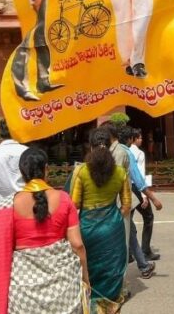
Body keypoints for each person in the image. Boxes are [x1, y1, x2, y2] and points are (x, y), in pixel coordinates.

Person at [0, 147, 89, 313]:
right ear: (46, 170)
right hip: (64, 289)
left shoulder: (8, 206)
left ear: (22, 173)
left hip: (23, 291)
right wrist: (85, 277)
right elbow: (77, 244)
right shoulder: (64, 200)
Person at [70, 127, 131, 313]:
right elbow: (126, 205)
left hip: (88, 228)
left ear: (91, 147)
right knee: (112, 273)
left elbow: (74, 204)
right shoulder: (120, 172)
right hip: (113, 228)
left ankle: (92, 308)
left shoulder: (81, 171)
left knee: (91, 271)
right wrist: (113, 219)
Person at [129, 128, 160, 260]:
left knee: (127, 221)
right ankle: (145, 250)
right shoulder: (139, 153)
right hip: (136, 188)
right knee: (148, 218)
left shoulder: (125, 151)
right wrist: (144, 196)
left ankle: (129, 252)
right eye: (140, 138)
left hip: (126, 188)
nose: (141, 140)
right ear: (134, 139)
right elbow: (139, 175)